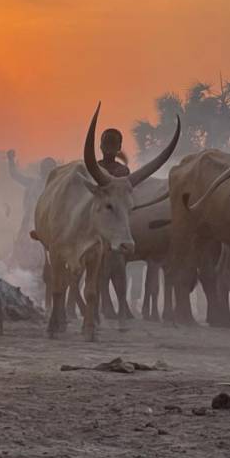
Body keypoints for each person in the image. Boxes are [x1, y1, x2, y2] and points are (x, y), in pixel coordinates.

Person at [96, 128, 133, 322]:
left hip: (116, 226)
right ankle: (105, 305)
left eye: (113, 144)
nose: (109, 148)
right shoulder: (92, 167)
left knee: (117, 267)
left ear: (119, 148)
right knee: (96, 268)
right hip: (96, 224)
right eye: (106, 143)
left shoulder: (122, 171)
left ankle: (121, 306)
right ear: (100, 146)